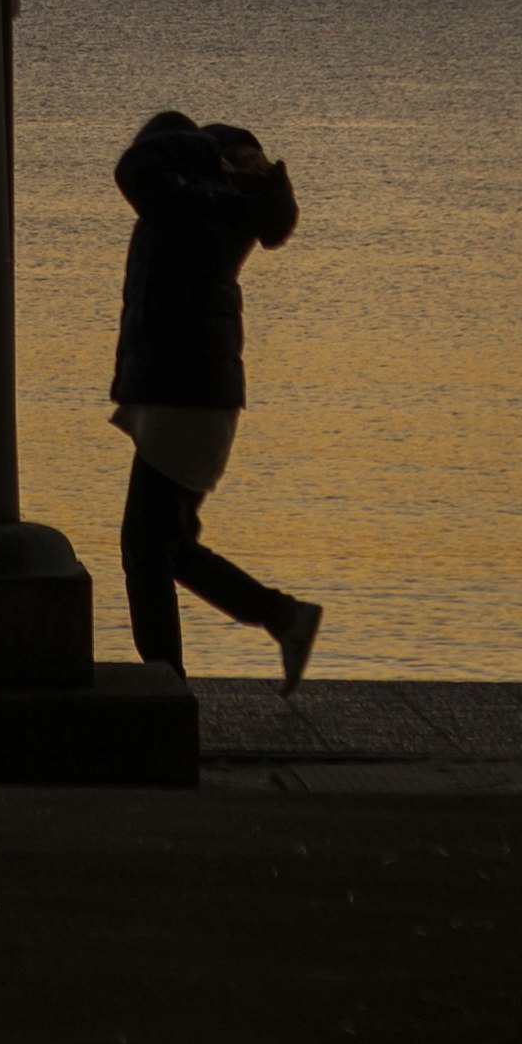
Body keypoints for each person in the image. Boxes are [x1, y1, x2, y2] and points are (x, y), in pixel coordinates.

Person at [110, 107, 323, 686]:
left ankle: (164, 684)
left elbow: (135, 168)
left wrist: (202, 146)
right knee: (168, 544)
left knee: (145, 551)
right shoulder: (212, 208)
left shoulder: (192, 208)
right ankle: (283, 616)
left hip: (185, 398)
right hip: (189, 396)